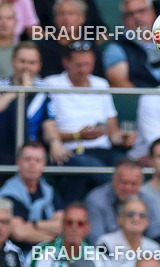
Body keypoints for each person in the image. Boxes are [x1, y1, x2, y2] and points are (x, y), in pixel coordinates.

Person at [44, 42, 127, 205]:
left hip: (103, 150)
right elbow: (45, 132)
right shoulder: (51, 84)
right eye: (78, 65)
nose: (84, 70)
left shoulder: (101, 84)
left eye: (88, 64)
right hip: (69, 152)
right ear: (66, 63)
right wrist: (78, 135)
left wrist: (124, 138)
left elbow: (114, 133)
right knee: (92, 169)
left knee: (129, 167)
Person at [0, 43, 66, 166]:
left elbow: (48, 123)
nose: (26, 67)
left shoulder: (43, 89)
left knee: (68, 161)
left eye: (32, 63)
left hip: (31, 148)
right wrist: (20, 90)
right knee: (17, 104)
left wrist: (55, 142)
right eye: (22, 61)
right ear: (13, 62)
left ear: (39, 66)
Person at [29, 202, 103, 267]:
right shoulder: (42, 252)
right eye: (69, 222)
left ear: (88, 228)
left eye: (80, 224)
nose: (74, 228)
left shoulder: (96, 256)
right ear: (62, 225)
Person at [0, 141, 63, 252]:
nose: (32, 164)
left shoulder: (50, 192)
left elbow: (64, 226)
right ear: (18, 162)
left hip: (49, 256)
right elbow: (19, 233)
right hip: (18, 255)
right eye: (27, 159)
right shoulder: (8, 195)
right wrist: (53, 238)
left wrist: (34, 225)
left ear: (44, 165)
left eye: (37, 160)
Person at [101, 0, 160, 89]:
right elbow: (122, 86)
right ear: (123, 19)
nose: (137, 17)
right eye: (130, 14)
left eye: (141, 11)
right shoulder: (116, 48)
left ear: (153, 12)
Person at [85, 160, 144, 245]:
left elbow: (153, 235)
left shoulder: (146, 200)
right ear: (113, 180)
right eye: (124, 182)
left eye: (133, 184)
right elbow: (97, 242)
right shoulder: (96, 200)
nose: (128, 188)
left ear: (140, 184)